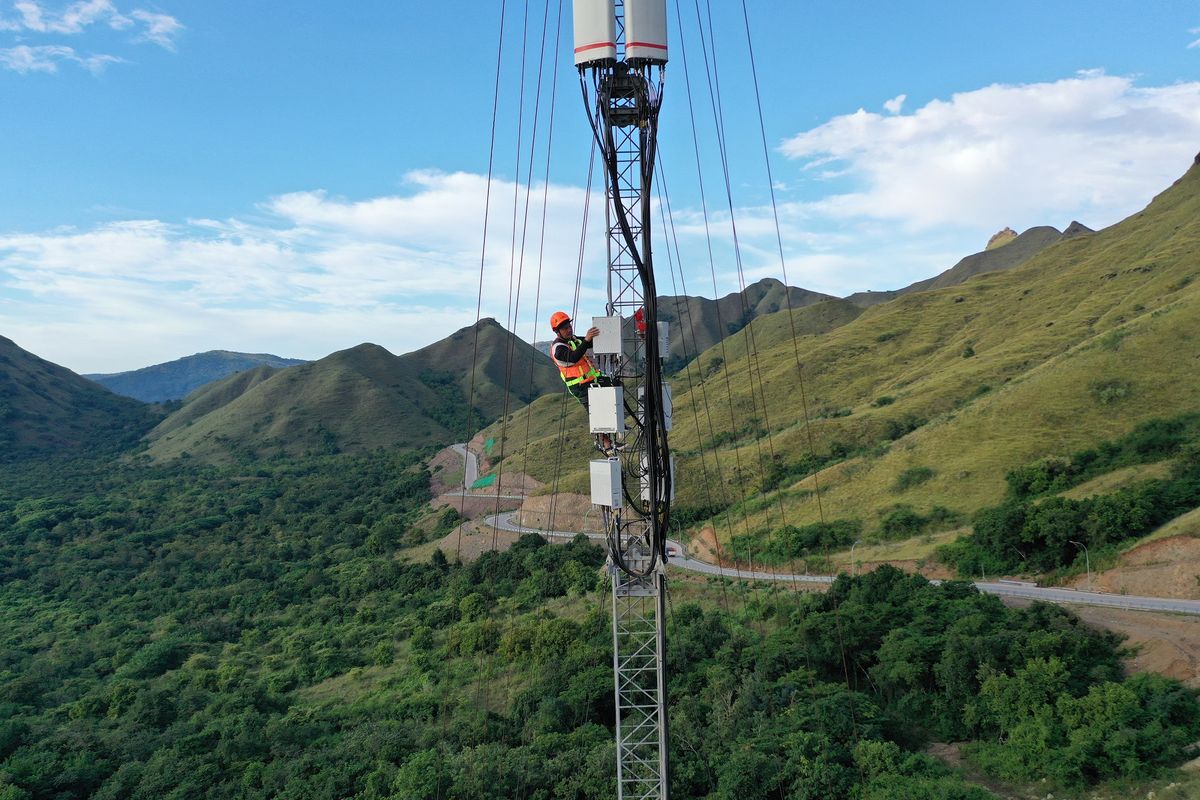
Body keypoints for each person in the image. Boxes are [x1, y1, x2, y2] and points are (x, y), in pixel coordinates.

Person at [548, 311, 619, 452]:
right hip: (578, 386)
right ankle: (605, 443)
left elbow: (588, 343)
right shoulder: (558, 348)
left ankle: (616, 426)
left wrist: (605, 333)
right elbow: (573, 357)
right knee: (595, 410)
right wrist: (587, 340)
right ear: (557, 332)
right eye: (564, 328)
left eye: (569, 326)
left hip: (590, 380)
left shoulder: (573, 340)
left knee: (614, 388)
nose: (568, 329)